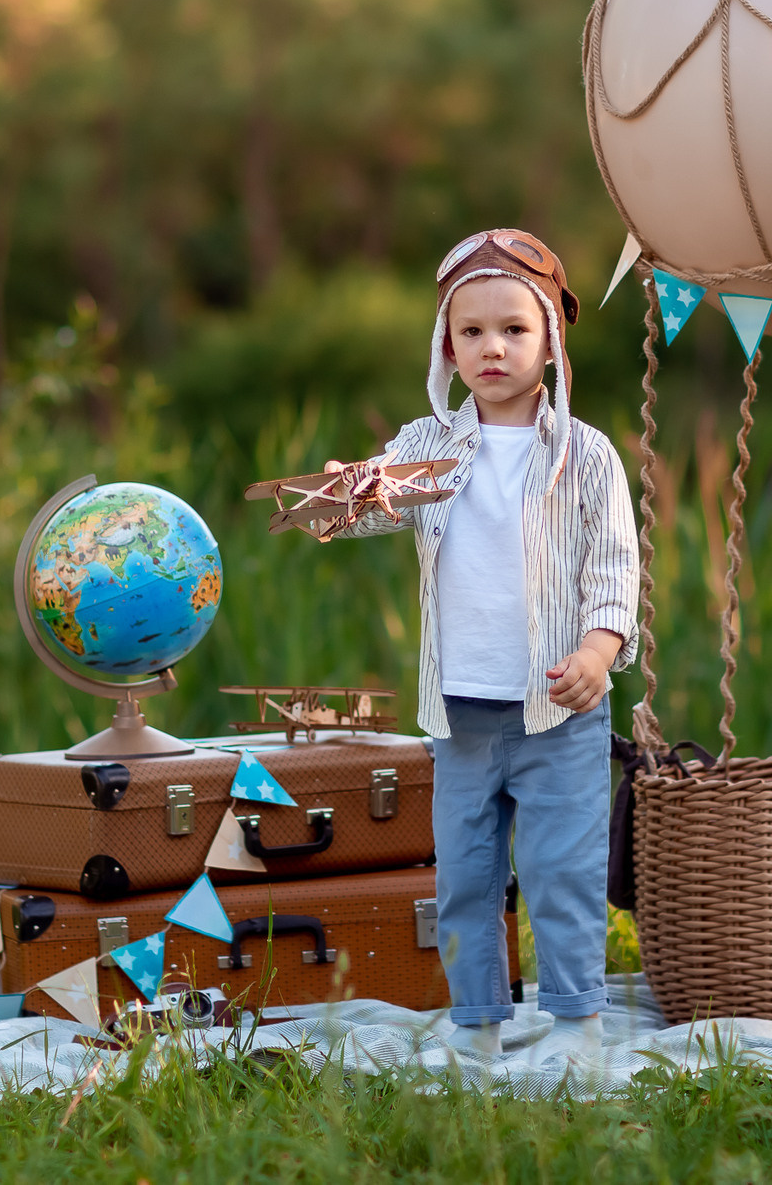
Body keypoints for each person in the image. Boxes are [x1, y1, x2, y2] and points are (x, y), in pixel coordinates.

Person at [316, 228, 637, 1060]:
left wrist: (598, 655)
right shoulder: (426, 444)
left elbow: (612, 571)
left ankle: (576, 1024)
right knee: (463, 876)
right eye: (472, 332)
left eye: (514, 329)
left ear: (551, 340)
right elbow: (373, 504)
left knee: (564, 873)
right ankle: (477, 1026)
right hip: (459, 709)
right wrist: (350, 489)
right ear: (446, 346)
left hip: (555, 706)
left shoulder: (585, 453)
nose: (492, 346)